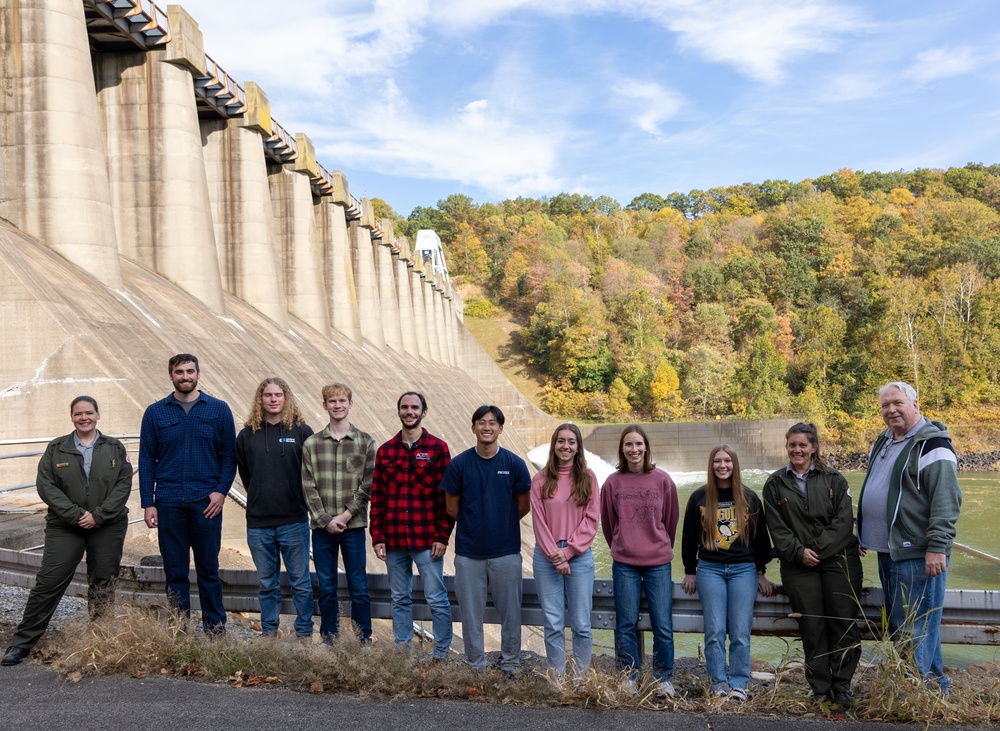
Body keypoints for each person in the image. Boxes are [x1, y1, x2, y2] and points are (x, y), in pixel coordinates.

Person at [2, 397, 133, 666]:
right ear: (71, 417)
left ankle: (100, 641)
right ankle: (22, 643)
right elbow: (46, 486)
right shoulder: (57, 448)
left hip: (107, 525)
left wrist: (98, 516)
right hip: (66, 525)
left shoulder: (114, 447)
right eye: (78, 414)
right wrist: (76, 515)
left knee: (103, 581)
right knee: (49, 581)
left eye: (89, 413)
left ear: (98, 414)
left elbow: (123, 484)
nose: (84, 418)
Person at [856, 381, 961, 694]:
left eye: (897, 403)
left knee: (914, 626)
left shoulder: (932, 445)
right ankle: (931, 687)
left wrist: (937, 548)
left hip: (917, 551)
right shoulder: (885, 439)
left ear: (915, 404)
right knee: (910, 625)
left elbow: (946, 500)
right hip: (888, 550)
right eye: (885, 405)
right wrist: (862, 530)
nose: (891, 410)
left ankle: (914, 693)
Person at [762, 422, 862, 705]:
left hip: (838, 560)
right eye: (792, 445)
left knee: (843, 623)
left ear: (814, 447)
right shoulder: (774, 484)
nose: (797, 450)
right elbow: (777, 528)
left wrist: (814, 550)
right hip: (797, 564)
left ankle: (842, 686)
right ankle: (819, 688)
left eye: (802, 445)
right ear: (787, 447)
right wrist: (798, 552)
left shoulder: (835, 480)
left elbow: (844, 522)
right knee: (812, 626)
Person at [139, 354, 237, 634]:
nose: (185, 376)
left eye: (190, 371)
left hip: (206, 503)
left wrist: (220, 493)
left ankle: (215, 629)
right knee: (175, 571)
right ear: (171, 375)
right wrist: (148, 503)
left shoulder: (218, 410)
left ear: (198, 373)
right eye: (179, 372)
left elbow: (229, 457)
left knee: (208, 570)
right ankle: (178, 629)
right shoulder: (155, 412)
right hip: (168, 502)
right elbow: (147, 459)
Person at [440, 405, 531, 674]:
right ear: (473, 428)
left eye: (493, 423)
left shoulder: (514, 464)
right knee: (470, 615)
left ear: (501, 428)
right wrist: (476, 524)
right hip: (469, 553)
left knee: (511, 614)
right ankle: (475, 665)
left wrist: (499, 523)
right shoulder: (459, 464)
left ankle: (511, 665)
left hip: (506, 552)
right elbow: (451, 507)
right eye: (481, 422)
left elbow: (523, 505)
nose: (487, 427)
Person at [680, 445, 774, 701]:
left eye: (727, 461)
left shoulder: (750, 498)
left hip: (743, 570)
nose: (722, 465)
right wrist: (690, 570)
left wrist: (760, 571)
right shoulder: (699, 498)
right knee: (714, 631)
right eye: (717, 461)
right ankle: (718, 684)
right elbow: (688, 536)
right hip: (709, 569)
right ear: (711, 466)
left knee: (740, 632)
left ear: (735, 464)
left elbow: (760, 539)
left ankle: (739, 683)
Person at [370, 392, 454, 658]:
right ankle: (402, 654)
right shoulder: (385, 451)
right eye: (404, 407)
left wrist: (442, 536)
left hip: (427, 540)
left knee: (436, 599)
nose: (409, 411)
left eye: (414, 407)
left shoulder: (438, 449)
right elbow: (378, 497)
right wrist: (377, 536)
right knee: (399, 599)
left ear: (423, 412)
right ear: (399, 412)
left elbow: (447, 498)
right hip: (394, 540)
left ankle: (441, 653)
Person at [600, 425, 679, 697]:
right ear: (622, 449)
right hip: (625, 563)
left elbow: (670, 521)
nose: (634, 449)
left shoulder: (663, 480)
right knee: (626, 623)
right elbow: (609, 525)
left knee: (662, 624)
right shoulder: (612, 482)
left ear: (646, 447)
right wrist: (623, 546)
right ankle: (628, 677)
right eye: (628, 445)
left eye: (638, 444)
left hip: (658, 561)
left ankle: (663, 679)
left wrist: (658, 545)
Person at [236, 377, 315, 639]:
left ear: (286, 398)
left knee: (300, 583)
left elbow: (311, 473)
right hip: (259, 523)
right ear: (260, 399)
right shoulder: (247, 435)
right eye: (267, 395)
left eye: (278, 394)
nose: (273, 399)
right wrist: (260, 494)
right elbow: (247, 475)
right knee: (267, 584)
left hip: (293, 520)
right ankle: (269, 633)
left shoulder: (302, 432)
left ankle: (303, 633)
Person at [301, 383, 375, 643]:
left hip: (352, 527)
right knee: (327, 586)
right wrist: (325, 519)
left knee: (359, 585)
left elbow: (367, 485)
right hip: (322, 529)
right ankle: (329, 639)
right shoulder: (311, 444)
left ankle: (363, 639)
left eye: (342, 401)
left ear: (350, 404)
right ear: (325, 405)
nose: (337, 405)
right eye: (332, 401)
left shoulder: (365, 442)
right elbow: (308, 485)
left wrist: (344, 516)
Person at [530, 423, 600, 682]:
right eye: (561, 441)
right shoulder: (540, 479)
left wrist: (568, 551)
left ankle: (581, 680)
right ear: (554, 444)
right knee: (553, 623)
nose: (566, 446)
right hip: (546, 557)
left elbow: (592, 519)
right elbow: (539, 521)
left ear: (578, 447)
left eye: (571, 441)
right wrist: (555, 555)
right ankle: (556, 681)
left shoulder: (588, 478)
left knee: (581, 624)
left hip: (579, 557)